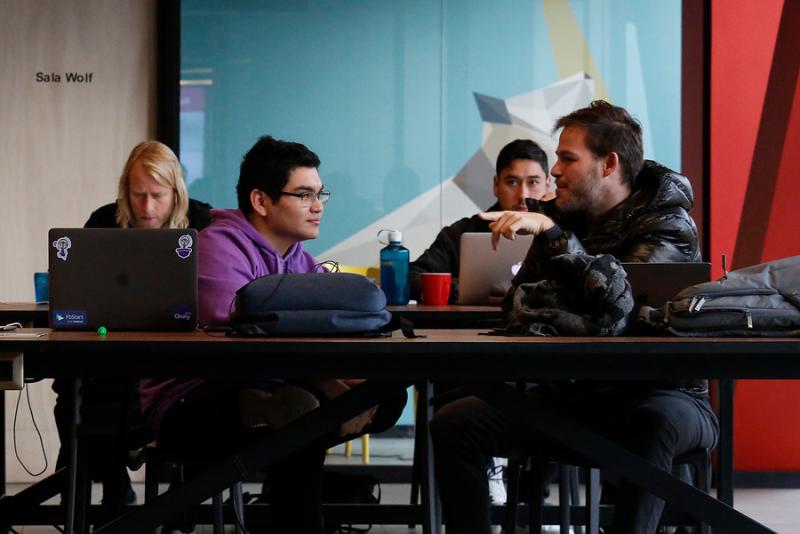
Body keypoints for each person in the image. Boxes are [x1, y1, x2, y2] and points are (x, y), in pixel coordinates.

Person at [430, 101, 719, 534]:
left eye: (568, 158)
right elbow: (519, 306)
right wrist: (562, 277)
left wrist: (557, 246)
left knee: (653, 422)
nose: (556, 171)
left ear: (609, 165)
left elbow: (616, 316)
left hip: (662, 393)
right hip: (574, 393)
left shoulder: (668, 227)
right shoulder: (556, 218)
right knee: (455, 422)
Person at [138, 135, 406, 533]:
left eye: (320, 194)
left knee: (381, 397)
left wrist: (337, 386)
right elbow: (238, 337)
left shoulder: (297, 257)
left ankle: (286, 413)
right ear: (261, 201)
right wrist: (330, 385)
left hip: (280, 388)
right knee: (301, 416)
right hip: (190, 401)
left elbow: (332, 320)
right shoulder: (216, 247)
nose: (317, 206)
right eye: (303, 195)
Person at [51, 141, 212, 512]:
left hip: (185, 355)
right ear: (126, 189)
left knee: (202, 399)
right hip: (114, 347)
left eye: (157, 195)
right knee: (71, 392)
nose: (147, 208)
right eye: (138, 195)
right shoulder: (104, 221)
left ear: (176, 190)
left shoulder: (204, 223)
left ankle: (180, 507)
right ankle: (114, 488)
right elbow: (81, 288)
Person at [409, 139, 553, 303]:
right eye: (512, 182)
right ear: (496, 185)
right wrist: (460, 288)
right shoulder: (462, 232)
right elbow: (412, 277)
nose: (523, 195)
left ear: (548, 185)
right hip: (471, 325)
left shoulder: (559, 235)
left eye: (533, 182)